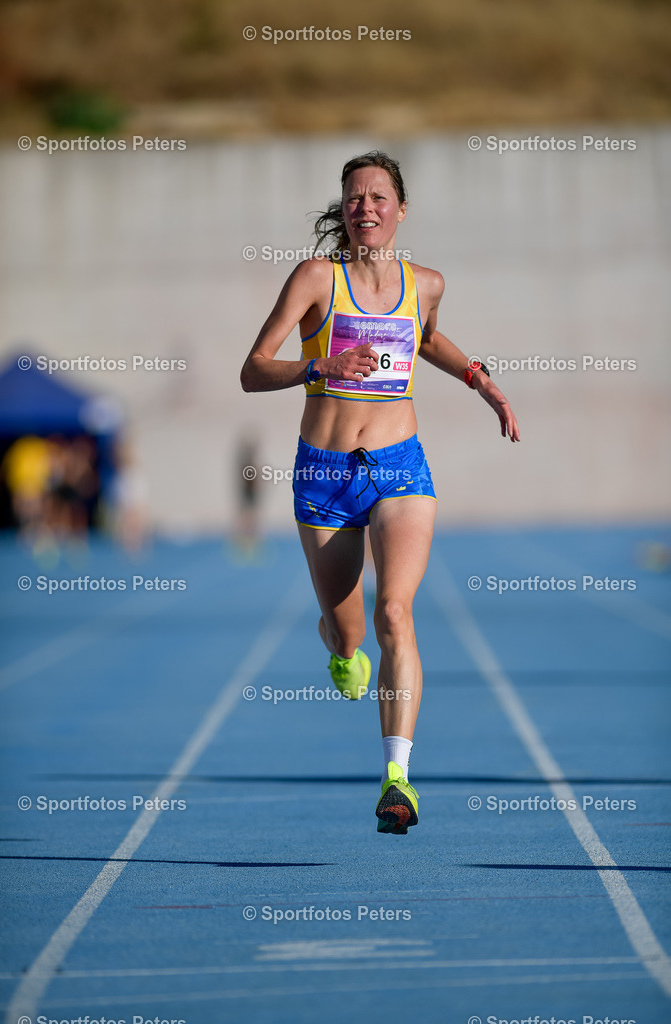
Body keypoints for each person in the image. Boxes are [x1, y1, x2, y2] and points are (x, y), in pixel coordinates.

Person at [240, 151, 519, 835]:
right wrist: (319, 365)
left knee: (395, 611)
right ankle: (336, 644)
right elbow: (251, 370)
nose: (364, 207)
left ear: (400, 209)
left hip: (397, 465)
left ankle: (396, 780)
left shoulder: (424, 283)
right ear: (342, 212)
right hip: (323, 473)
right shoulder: (314, 278)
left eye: (377, 197)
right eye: (353, 198)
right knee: (352, 632)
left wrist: (477, 378)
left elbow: (423, 337)